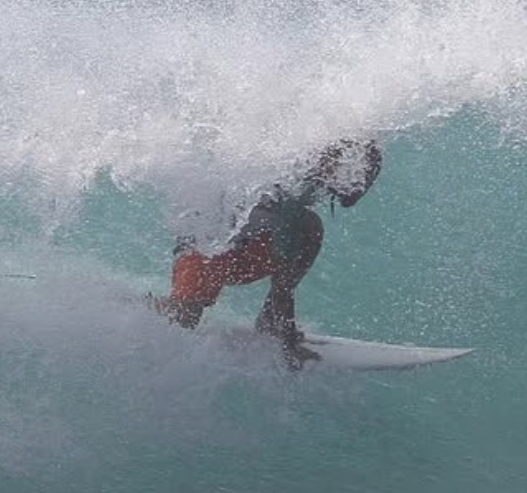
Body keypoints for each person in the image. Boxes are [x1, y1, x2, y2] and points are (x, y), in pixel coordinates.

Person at [155, 137, 382, 365]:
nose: (363, 184)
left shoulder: (303, 179)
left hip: (246, 250)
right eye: (365, 174)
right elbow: (282, 285)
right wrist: (289, 341)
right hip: (205, 251)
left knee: (311, 226)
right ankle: (144, 309)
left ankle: (270, 320)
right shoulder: (289, 198)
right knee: (182, 320)